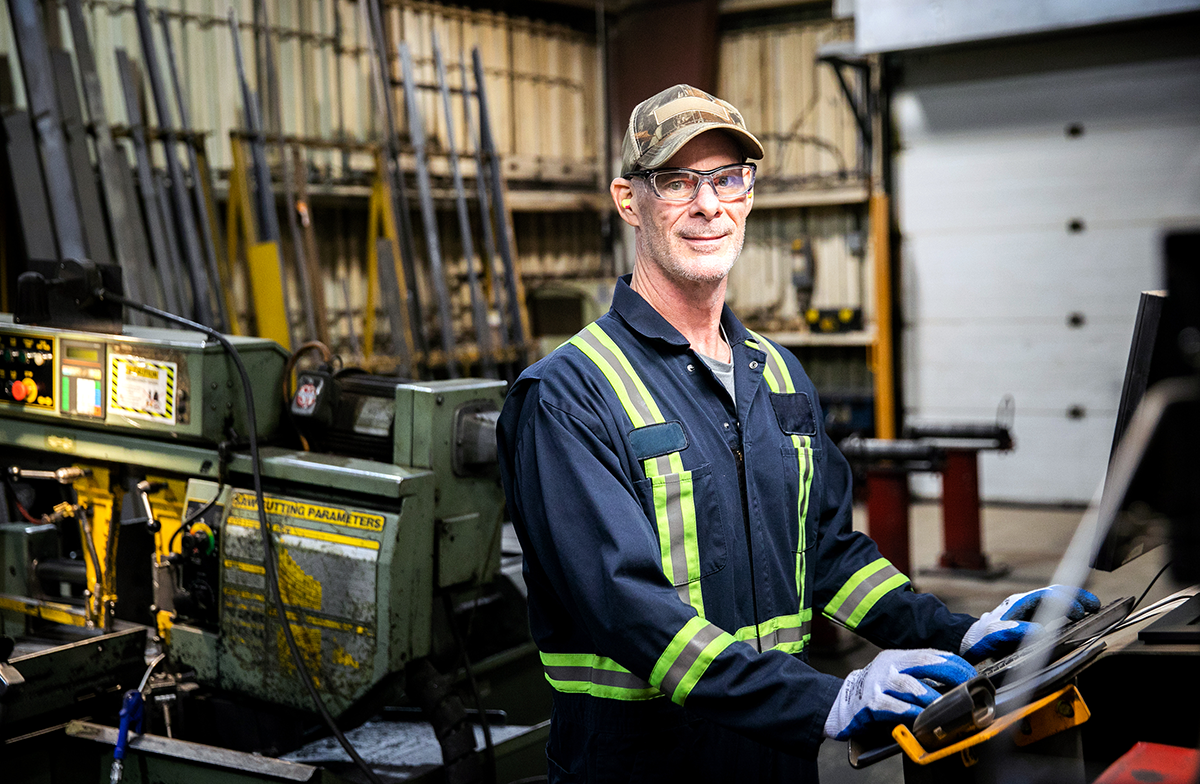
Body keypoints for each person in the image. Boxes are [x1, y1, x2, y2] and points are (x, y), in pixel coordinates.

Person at [496, 84, 1099, 783]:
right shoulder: (568, 395)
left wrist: (955, 632)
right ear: (629, 200)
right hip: (644, 763)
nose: (708, 204)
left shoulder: (777, 376)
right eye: (676, 181)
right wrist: (827, 697)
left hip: (776, 756)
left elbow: (829, 553)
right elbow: (630, 613)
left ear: (749, 194)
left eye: (727, 178)